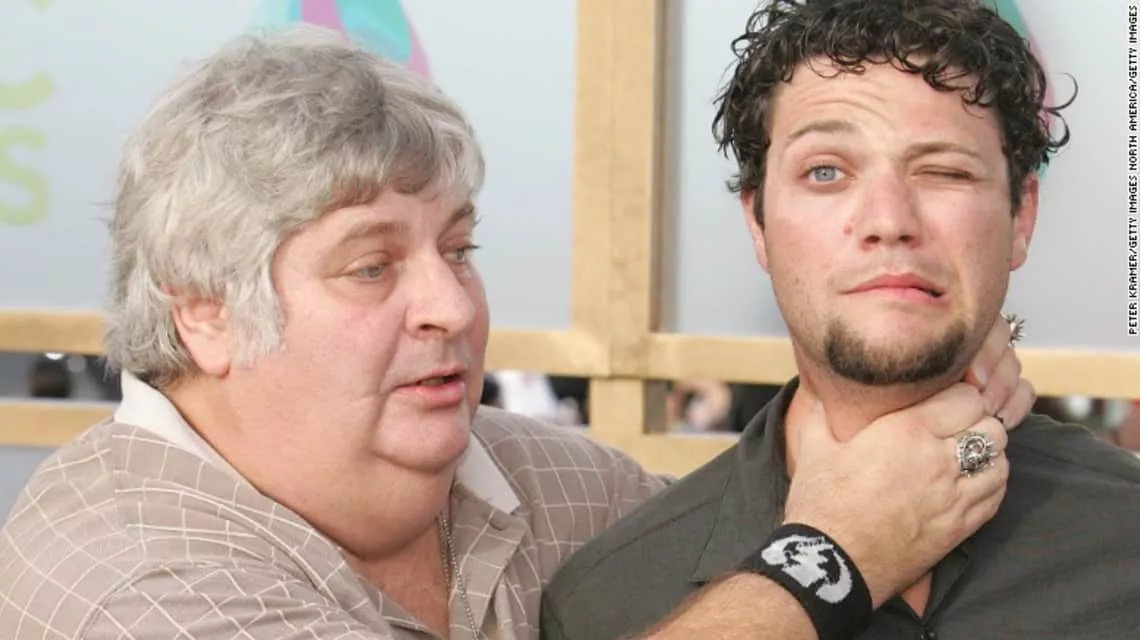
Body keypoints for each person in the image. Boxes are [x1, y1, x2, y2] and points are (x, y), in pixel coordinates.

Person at [0, 24, 1033, 640]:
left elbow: (720, 538)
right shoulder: (125, 579)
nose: (452, 307)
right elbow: (794, 553)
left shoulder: (546, 482)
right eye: (371, 266)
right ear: (205, 313)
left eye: (458, 249)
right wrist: (830, 558)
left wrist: (927, 374)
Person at [540, 1, 1140, 639]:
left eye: (944, 171)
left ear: (1021, 217)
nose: (888, 220)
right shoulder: (607, 600)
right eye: (825, 172)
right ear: (758, 225)